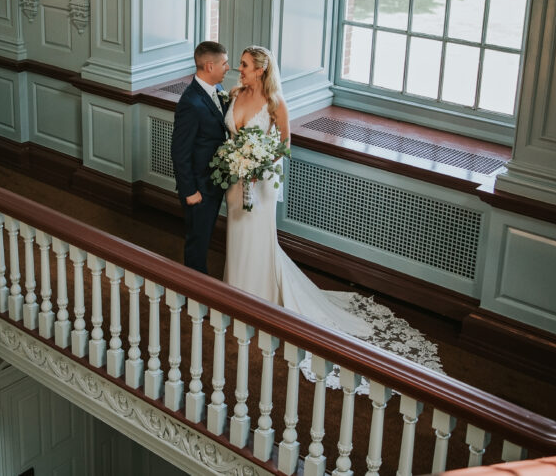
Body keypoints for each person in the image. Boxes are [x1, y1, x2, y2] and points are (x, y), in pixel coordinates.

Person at [222, 46, 442, 373]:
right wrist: (234, 160)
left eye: (244, 65)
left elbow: (284, 145)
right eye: (239, 65)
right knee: (235, 235)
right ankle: (232, 294)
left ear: (260, 71)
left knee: (256, 238)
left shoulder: (275, 104)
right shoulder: (234, 94)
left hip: (261, 183)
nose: (239, 70)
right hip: (236, 181)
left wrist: (259, 164)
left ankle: (258, 299)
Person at [171, 41, 231, 274]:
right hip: (199, 188)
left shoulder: (216, 90)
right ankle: (195, 296)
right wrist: (189, 191)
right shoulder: (190, 103)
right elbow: (179, 151)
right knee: (198, 242)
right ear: (209, 66)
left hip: (213, 182)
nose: (228, 67)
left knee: (204, 237)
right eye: (224, 63)